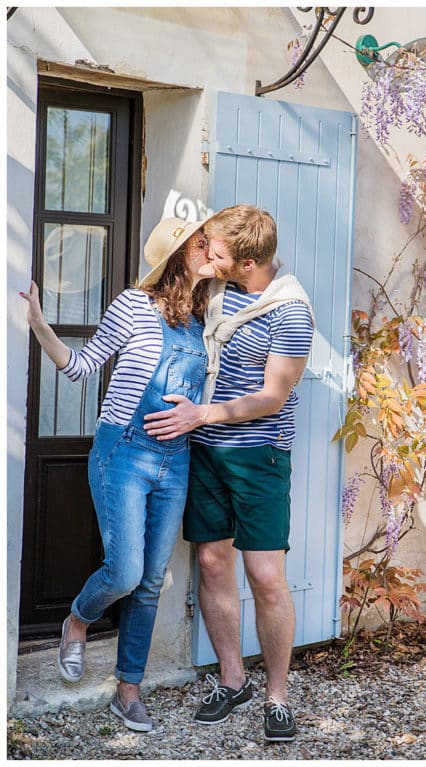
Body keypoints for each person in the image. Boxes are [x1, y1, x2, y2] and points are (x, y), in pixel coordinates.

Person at [21, 218, 213, 732]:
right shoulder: (132, 304)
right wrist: (40, 323)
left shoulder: (203, 317)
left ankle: (128, 690)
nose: (209, 245)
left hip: (177, 459)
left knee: (150, 582)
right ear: (176, 254)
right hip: (124, 452)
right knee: (125, 572)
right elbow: (82, 366)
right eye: (200, 240)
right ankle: (78, 619)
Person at [142, 204, 313, 743]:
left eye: (216, 254)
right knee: (214, 565)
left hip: (258, 455)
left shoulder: (291, 313)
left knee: (265, 577)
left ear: (246, 263)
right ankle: (232, 679)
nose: (206, 260)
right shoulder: (214, 291)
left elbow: (271, 396)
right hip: (205, 452)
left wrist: (203, 414)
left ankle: (278, 697)